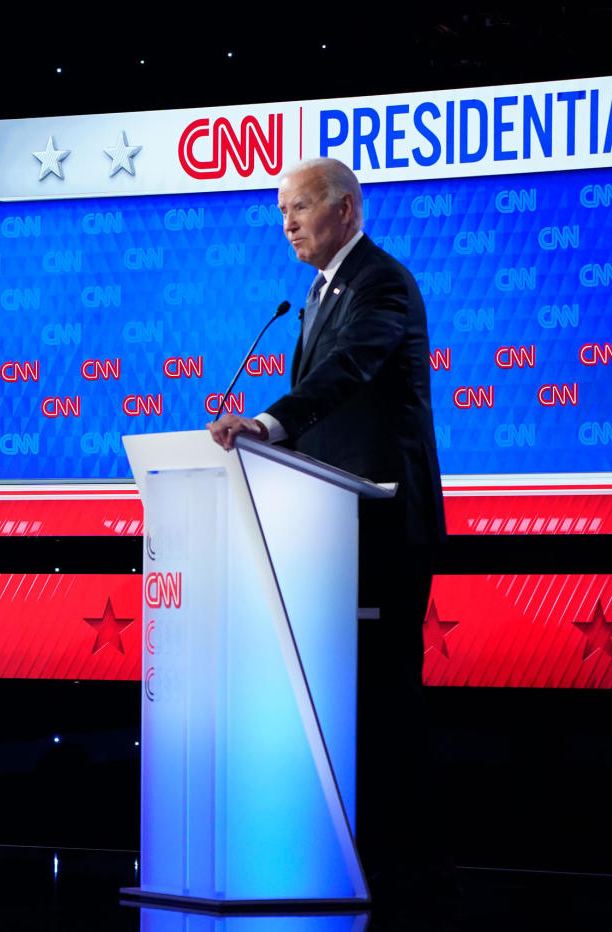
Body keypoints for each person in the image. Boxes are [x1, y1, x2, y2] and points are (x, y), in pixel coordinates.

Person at [208, 158, 447, 895]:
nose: (286, 224)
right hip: (332, 531)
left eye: (299, 208)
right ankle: (349, 855)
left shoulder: (379, 282)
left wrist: (272, 422)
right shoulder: (317, 293)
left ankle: (411, 867)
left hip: (380, 525)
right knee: (343, 699)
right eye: (280, 211)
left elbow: (347, 370)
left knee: (382, 695)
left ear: (344, 209)